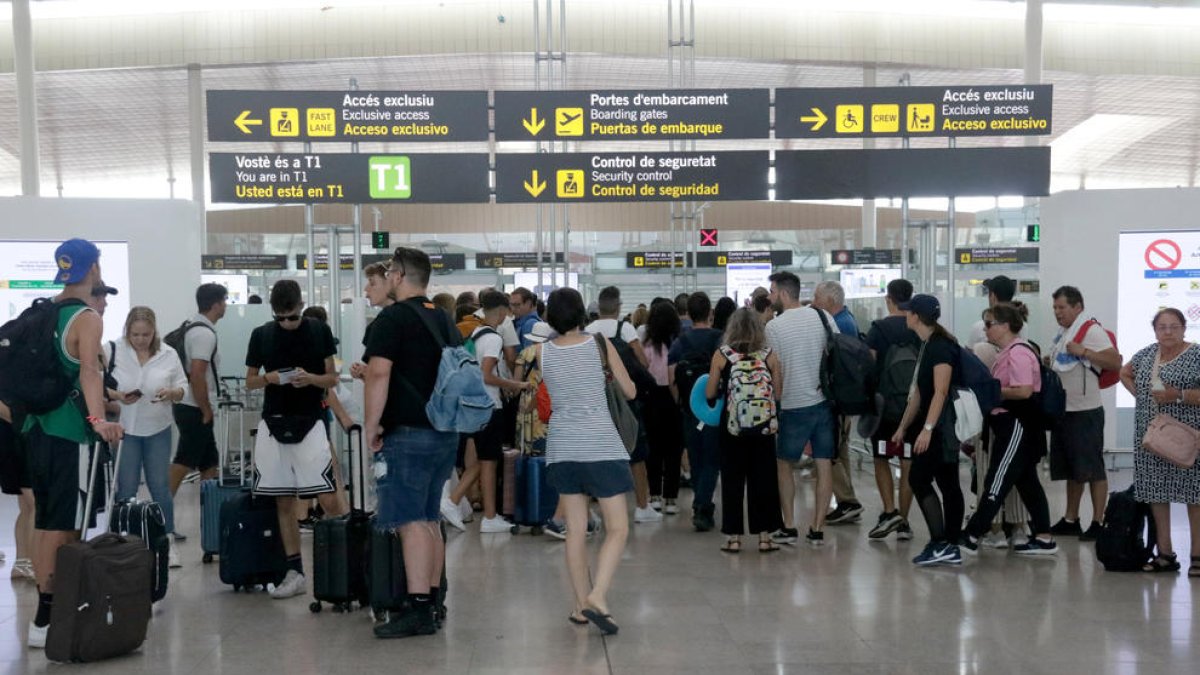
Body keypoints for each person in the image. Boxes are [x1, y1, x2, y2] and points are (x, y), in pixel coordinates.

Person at [21, 238, 124, 648]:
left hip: (36, 430)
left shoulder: (44, 311)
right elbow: (89, 374)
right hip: (67, 434)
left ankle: (45, 613)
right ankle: (49, 616)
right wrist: (98, 420)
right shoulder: (86, 317)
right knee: (65, 526)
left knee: (47, 522)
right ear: (93, 270)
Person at [363, 247, 460, 638]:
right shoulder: (444, 319)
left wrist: (371, 425)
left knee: (410, 520)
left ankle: (418, 608)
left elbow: (379, 374)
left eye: (388, 272)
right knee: (429, 517)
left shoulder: (393, 318)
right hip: (444, 432)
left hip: (408, 434)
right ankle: (434, 599)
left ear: (399, 276)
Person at [538, 287, 635, 635]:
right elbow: (630, 390)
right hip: (600, 445)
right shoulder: (599, 344)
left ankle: (580, 606)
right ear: (583, 314)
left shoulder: (542, 352)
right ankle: (597, 595)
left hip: (562, 447)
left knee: (575, 530)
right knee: (618, 527)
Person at [244, 280, 346, 599]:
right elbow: (249, 381)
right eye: (281, 318)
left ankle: (347, 562)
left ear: (302, 306)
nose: (287, 323)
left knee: (328, 497)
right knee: (283, 499)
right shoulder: (261, 335)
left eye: (291, 316)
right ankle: (294, 570)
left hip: (311, 421)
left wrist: (311, 379)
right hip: (274, 422)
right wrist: (269, 379)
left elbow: (332, 377)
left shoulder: (318, 331)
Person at [958, 303, 1058, 556]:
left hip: (1016, 424)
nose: (986, 329)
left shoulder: (1018, 353)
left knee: (997, 479)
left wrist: (992, 391)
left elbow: (1024, 390)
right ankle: (1045, 537)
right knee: (1027, 483)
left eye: (989, 324)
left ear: (1004, 326)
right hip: (1015, 425)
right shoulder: (1008, 352)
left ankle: (971, 535)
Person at [442, 290, 532, 533]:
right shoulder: (492, 338)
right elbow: (486, 375)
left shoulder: (470, 331)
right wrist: (516, 385)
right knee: (488, 460)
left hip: (469, 404)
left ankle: (487, 515)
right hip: (489, 405)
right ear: (502, 311)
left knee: (486, 460)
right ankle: (455, 502)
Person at [1119, 307, 1200, 576]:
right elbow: (1124, 372)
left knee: (1194, 495)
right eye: (1162, 327)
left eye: (1173, 327)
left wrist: (1179, 396)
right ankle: (1165, 553)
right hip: (1150, 436)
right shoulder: (1146, 354)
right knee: (1156, 493)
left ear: (1183, 329)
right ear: (1154, 330)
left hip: (1186, 435)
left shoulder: (1196, 354)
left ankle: (1197, 555)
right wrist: (1141, 397)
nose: (1167, 332)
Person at [108, 306, 187, 567]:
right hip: (126, 429)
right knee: (126, 488)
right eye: (135, 334)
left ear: (154, 332)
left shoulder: (168, 354)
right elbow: (97, 380)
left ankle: (166, 541)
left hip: (158, 427)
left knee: (159, 488)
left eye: (146, 334)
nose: (140, 339)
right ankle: (123, 544)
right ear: (127, 332)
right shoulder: (113, 350)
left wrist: (172, 393)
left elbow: (183, 387)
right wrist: (118, 396)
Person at [890, 294, 964, 567]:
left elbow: (941, 391)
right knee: (947, 483)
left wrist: (928, 429)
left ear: (916, 317)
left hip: (942, 428)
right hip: (933, 426)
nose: (905, 315)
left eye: (908, 312)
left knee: (920, 479)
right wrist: (903, 427)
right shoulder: (927, 345)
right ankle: (948, 544)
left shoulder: (941, 347)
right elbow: (919, 393)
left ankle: (941, 541)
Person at [765, 271, 837, 546]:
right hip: (824, 403)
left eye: (772, 292)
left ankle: (789, 525)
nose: (770, 297)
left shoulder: (774, 327)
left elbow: (776, 371)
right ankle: (818, 528)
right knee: (823, 465)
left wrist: (777, 403)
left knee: (784, 465)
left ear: (783, 294)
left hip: (793, 405)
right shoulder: (822, 316)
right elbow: (834, 355)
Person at [1047, 286, 1122, 539]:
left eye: (1062, 307)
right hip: (1065, 411)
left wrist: (1085, 352)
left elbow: (1115, 361)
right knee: (1072, 469)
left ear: (1078, 307)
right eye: (1055, 308)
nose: (1058, 312)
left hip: (1085, 412)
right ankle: (1071, 518)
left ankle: (1098, 522)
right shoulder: (1064, 332)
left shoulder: (1090, 330)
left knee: (1092, 469)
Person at [706, 308, 783, 553]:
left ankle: (734, 537)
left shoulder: (722, 355)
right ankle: (764, 537)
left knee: (732, 479)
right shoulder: (769, 355)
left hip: (732, 427)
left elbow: (709, 393)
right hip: (763, 428)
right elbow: (778, 394)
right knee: (764, 479)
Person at [586, 286, 658, 523]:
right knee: (637, 451)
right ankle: (641, 506)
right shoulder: (625, 328)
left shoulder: (588, 331)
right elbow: (643, 362)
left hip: (598, 399)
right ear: (618, 307)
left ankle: (589, 509)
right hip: (627, 400)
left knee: (596, 454)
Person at [168, 282, 228, 534]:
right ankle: (158, 515)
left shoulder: (192, 326)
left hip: (189, 405)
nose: (225, 306)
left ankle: (212, 523)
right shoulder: (204, 333)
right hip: (194, 407)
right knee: (184, 459)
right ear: (216, 304)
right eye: (224, 301)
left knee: (209, 463)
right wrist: (206, 409)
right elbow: (197, 376)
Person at [863, 278, 917, 541]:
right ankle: (904, 521)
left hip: (884, 406)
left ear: (889, 299)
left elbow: (869, 363)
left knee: (881, 457)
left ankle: (889, 511)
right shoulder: (918, 327)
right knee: (908, 461)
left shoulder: (879, 329)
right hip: (912, 407)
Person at [669, 292, 723, 531]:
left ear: (689, 315)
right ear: (710, 313)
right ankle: (702, 505)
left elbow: (672, 379)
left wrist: (682, 403)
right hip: (714, 409)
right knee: (713, 458)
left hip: (689, 410)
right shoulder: (720, 339)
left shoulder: (680, 342)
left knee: (696, 456)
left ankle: (701, 504)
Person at [812, 280, 864, 526]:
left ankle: (848, 501)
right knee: (840, 450)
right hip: (845, 398)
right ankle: (847, 501)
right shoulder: (846, 320)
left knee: (829, 449)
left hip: (838, 399)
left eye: (817, 298)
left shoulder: (839, 325)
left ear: (830, 301)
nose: (813, 303)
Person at [642, 301, 683, 515]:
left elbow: (644, 371)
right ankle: (671, 498)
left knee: (654, 449)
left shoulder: (647, 346)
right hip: (674, 397)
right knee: (674, 449)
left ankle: (655, 495)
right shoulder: (678, 344)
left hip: (652, 399)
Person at [351, 261, 393, 381]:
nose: (366, 289)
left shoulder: (385, 323)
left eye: (372, 283)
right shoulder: (380, 322)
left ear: (390, 283)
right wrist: (365, 372)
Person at [967, 275, 1018, 347]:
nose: (986, 329)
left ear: (993, 296)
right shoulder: (1020, 324)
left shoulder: (980, 327)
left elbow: (969, 354)